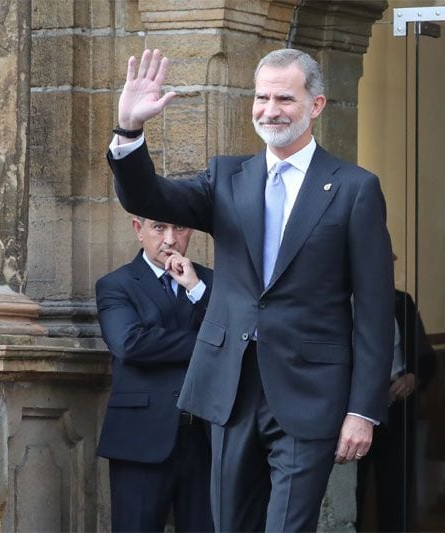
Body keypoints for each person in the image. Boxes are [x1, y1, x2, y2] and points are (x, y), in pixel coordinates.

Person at [106, 48, 394, 532]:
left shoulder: (353, 188)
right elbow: (148, 197)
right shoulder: (226, 177)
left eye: (284, 97)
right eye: (261, 97)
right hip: (231, 387)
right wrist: (130, 131)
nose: (270, 109)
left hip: (310, 392)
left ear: (316, 105)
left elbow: (373, 308)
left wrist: (362, 409)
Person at [96, 217, 213, 532]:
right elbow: (130, 343)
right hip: (140, 437)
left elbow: (238, 339)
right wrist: (209, 343)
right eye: (159, 228)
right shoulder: (115, 284)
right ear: (138, 230)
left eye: (181, 228)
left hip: (206, 439)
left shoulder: (212, 284)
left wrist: (196, 290)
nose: (171, 239)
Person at [356, 255, 437, 531]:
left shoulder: (402, 302)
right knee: (353, 494)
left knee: (396, 492)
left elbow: (425, 357)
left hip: (398, 409)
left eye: (388, 263)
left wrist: (414, 377)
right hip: (356, 410)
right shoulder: (341, 303)